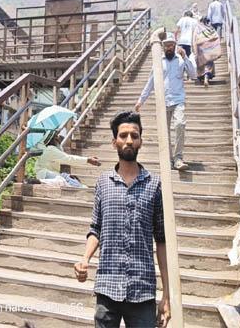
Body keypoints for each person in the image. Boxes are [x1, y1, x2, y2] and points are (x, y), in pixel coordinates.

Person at [74, 111, 170, 328]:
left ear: (141, 142)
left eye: (134, 136)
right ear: (114, 142)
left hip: (142, 292)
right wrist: (85, 259)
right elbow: (96, 228)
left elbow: (162, 240)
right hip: (107, 290)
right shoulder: (103, 183)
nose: (129, 140)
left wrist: (167, 294)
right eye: (123, 135)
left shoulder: (154, 185)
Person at [134, 32, 196, 170]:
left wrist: (185, 57)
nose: (169, 47)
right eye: (166, 45)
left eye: (171, 45)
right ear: (163, 47)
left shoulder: (181, 60)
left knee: (180, 124)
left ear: (175, 46)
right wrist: (141, 100)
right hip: (163, 102)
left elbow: (193, 74)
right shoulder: (158, 62)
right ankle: (168, 159)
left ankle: (178, 158)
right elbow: (151, 82)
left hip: (178, 100)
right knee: (164, 131)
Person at [34, 129, 101, 187]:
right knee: (65, 180)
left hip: (51, 173)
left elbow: (63, 155)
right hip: (45, 174)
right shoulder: (50, 149)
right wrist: (88, 160)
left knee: (68, 178)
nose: (59, 137)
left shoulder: (51, 148)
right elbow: (68, 158)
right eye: (56, 136)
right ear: (53, 139)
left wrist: (58, 143)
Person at [194, 17, 217, 87]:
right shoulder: (211, 29)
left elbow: (195, 40)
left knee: (201, 64)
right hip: (209, 49)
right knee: (209, 64)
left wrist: (195, 51)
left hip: (200, 49)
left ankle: (202, 77)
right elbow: (215, 38)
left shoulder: (197, 29)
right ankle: (206, 76)